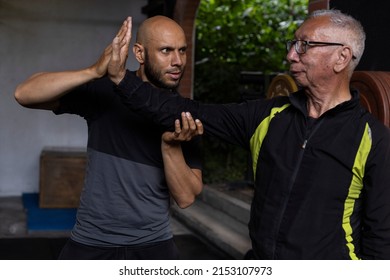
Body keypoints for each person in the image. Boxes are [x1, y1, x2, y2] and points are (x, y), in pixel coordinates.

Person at [107, 10, 390, 259]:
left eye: (305, 46)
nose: (291, 54)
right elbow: (182, 110)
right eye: (293, 44)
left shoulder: (374, 140)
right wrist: (121, 79)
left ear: (341, 57)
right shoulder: (266, 117)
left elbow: (381, 239)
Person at [14, 16, 204, 260]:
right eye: (166, 51)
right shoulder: (106, 92)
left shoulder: (185, 114)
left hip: (153, 245)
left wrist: (171, 148)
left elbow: (186, 197)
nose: (177, 61)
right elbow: (24, 93)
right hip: (91, 241)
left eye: (182, 51)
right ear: (140, 53)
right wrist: (93, 71)